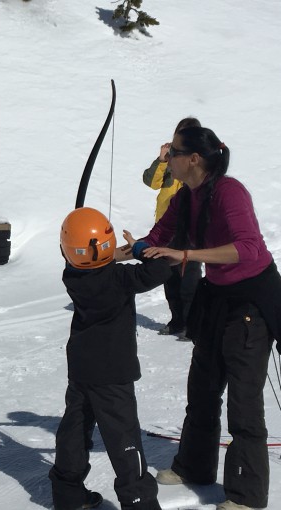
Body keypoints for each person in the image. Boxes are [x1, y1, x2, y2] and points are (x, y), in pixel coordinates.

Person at [123, 126, 281, 510]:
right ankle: (194, 467)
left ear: (193, 159)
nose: (167, 159)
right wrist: (117, 252)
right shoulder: (184, 197)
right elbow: (159, 237)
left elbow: (247, 248)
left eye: (172, 153)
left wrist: (187, 256)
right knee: (203, 387)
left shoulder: (230, 192)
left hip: (251, 303)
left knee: (243, 401)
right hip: (216, 297)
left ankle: (246, 496)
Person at [51, 206, 172, 510]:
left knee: (75, 428)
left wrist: (109, 255)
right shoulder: (119, 278)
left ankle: (68, 494)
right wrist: (141, 248)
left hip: (81, 367)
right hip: (113, 373)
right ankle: (139, 501)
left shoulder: (73, 275)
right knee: (123, 437)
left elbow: (82, 259)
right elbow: (160, 268)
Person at [142, 117, 203, 338]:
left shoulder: (200, 158)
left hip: (191, 227)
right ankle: (177, 321)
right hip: (166, 227)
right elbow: (151, 182)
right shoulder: (170, 159)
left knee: (190, 279)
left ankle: (193, 323)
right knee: (169, 277)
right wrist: (161, 159)